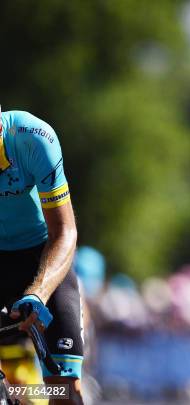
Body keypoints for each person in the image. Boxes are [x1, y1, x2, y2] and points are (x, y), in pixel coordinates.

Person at [0, 106, 84, 404]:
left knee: (63, 390)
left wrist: (39, 293)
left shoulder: (32, 137)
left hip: (40, 256)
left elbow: (65, 232)